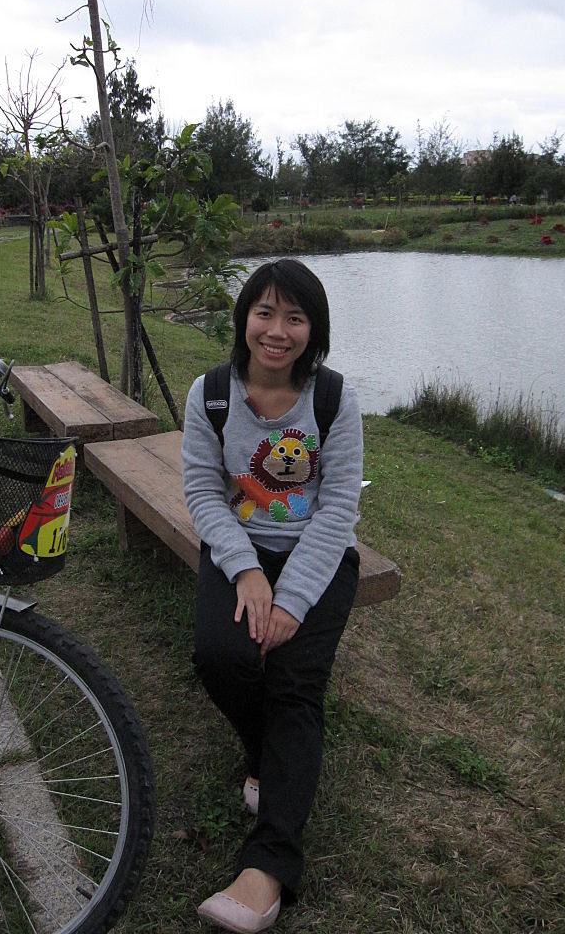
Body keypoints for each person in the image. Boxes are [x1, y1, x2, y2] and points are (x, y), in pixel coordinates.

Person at [182, 258, 364, 933]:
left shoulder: (334, 400)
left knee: (293, 681)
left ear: (314, 330)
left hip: (318, 556)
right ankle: (270, 756)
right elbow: (204, 492)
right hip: (241, 550)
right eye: (264, 312)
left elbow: (338, 508)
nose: (277, 331)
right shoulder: (211, 395)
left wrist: (291, 600)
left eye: (295, 317)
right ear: (244, 319)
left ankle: (268, 868)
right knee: (220, 656)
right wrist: (247, 572)